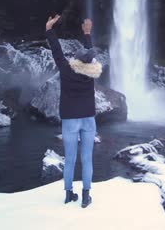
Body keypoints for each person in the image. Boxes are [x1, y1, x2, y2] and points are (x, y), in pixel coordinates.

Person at [45, 15, 101, 208]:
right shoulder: (91, 72)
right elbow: (91, 55)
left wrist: (49, 29)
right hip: (88, 119)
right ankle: (86, 196)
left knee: (70, 159)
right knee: (87, 158)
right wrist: (87, 33)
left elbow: (57, 51)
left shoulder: (66, 69)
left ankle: (69, 194)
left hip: (70, 119)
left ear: (75, 60)